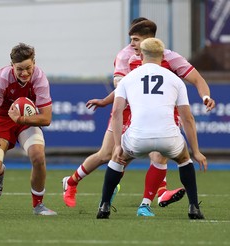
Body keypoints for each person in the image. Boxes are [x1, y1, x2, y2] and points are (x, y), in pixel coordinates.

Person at [62, 18, 215, 216]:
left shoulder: (169, 57)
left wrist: (205, 96)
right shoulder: (125, 56)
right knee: (107, 154)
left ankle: (148, 201)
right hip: (127, 109)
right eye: (131, 40)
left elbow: (197, 79)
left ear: (148, 41)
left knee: (158, 152)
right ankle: (72, 181)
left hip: (152, 112)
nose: (131, 44)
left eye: (135, 40)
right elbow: (121, 92)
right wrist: (105, 101)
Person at [96, 37, 207, 220]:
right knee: (184, 159)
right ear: (162, 55)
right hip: (168, 138)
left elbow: (116, 112)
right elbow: (188, 118)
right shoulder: (175, 80)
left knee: (118, 160)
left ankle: (105, 205)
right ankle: (194, 207)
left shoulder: (128, 79)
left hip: (137, 138)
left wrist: (117, 145)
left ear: (140, 56)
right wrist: (196, 151)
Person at [0, 43, 57, 216]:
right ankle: (0, 172)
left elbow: (46, 118)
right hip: (2, 118)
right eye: (19, 69)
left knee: (38, 156)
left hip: (27, 120)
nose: (24, 73)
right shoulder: (1, 79)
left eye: (28, 68)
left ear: (34, 63)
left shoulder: (40, 79)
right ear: (12, 66)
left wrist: (22, 119)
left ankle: (38, 205)